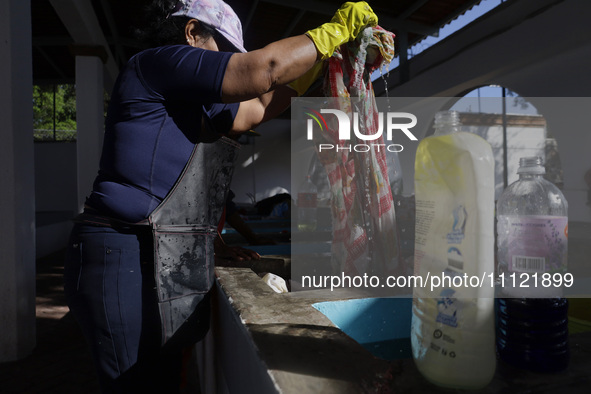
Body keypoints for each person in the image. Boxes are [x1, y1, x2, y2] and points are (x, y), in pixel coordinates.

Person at [63, 0, 378, 392]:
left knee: (162, 379)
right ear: (192, 32)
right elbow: (265, 72)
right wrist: (331, 31)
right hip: (121, 249)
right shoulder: (156, 64)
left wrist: (323, 60)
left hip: (157, 250)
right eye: (225, 52)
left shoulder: (194, 100)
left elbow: (259, 106)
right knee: (134, 382)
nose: (228, 63)